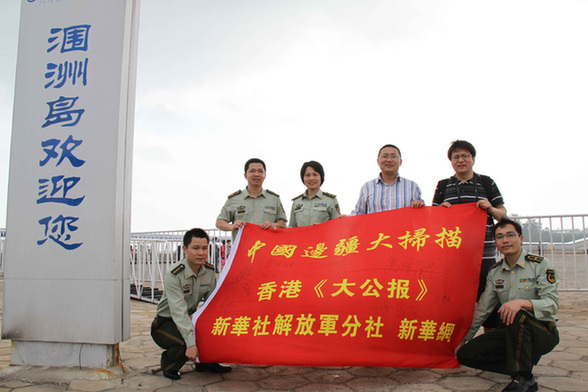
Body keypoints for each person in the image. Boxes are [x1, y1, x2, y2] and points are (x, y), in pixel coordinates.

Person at [455, 218, 559, 392]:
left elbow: (552, 304)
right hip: (511, 332)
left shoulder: (540, 265)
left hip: (542, 331)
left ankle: (525, 379)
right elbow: (483, 309)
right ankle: (520, 366)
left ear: (521, 238)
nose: (505, 240)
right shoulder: (495, 272)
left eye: (510, 235)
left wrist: (522, 303)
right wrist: (464, 339)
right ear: (495, 242)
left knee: (517, 312)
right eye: (499, 237)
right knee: (467, 355)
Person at [432, 140, 507, 331]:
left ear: (473, 159)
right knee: (454, 304)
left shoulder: (486, 182)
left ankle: (489, 344)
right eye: (456, 157)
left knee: (488, 301)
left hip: (484, 256)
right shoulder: (443, 186)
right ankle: (456, 346)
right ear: (451, 161)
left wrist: (489, 207)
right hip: (454, 257)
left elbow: (502, 214)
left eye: (465, 156)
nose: (461, 160)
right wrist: (441, 211)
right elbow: (433, 222)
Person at [151, 228, 231, 380]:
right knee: (182, 342)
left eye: (204, 248)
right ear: (185, 249)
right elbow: (178, 312)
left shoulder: (209, 271)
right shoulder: (174, 275)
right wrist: (191, 343)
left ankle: (205, 363)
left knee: (216, 328)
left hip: (190, 318)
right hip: (165, 322)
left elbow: (212, 303)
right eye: (195, 248)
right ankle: (169, 365)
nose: (200, 253)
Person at [216, 158, 287, 239]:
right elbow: (219, 222)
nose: (256, 174)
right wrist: (232, 226)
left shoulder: (274, 199)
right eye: (252, 171)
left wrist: (273, 225)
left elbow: (283, 224)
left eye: (260, 171)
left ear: (265, 175)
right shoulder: (234, 199)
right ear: (245, 175)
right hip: (243, 249)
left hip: (267, 248)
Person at [351, 144, 424, 215]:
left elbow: (422, 214)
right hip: (376, 227)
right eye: (385, 156)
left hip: (403, 227)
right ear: (378, 161)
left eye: (393, 156)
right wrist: (345, 220)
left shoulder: (412, 187)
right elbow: (358, 213)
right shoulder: (367, 187)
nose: (389, 160)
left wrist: (419, 205)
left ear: (400, 162)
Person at [289, 161, 341, 227]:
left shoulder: (331, 200)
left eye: (315, 174)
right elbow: (291, 228)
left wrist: (324, 228)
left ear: (321, 177)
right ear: (303, 178)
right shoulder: (296, 202)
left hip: (323, 237)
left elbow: (338, 226)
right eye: (307, 175)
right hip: (301, 237)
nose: (311, 178)